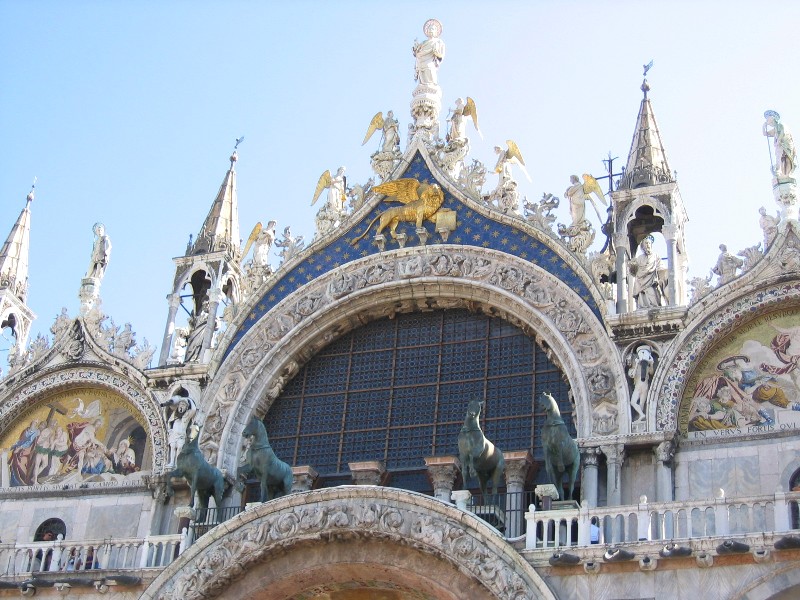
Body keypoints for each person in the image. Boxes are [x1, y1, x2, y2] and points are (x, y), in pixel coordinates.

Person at [628, 236, 666, 309]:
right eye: (646, 243)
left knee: (652, 295)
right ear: (643, 246)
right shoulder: (639, 258)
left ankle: (654, 307)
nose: (647, 245)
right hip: (640, 282)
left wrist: (663, 272)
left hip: (651, 282)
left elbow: (661, 267)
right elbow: (634, 271)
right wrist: (631, 266)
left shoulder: (655, 256)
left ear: (651, 245)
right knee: (642, 298)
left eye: (649, 243)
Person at [162, 395, 197, 466]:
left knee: (179, 448)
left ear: (186, 408)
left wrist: (189, 400)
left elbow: (193, 410)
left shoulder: (186, 416)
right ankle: (171, 462)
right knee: (172, 447)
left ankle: (177, 463)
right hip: (173, 435)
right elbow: (170, 419)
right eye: (180, 404)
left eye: (184, 405)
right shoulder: (175, 415)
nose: (181, 406)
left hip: (181, 435)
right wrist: (169, 430)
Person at [763, 110, 796, 178]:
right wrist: (763, 127)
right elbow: (765, 134)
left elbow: (783, 132)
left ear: (773, 118)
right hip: (779, 146)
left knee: (787, 158)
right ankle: (780, 172)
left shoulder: (781, 125)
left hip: (786, 145)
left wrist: (778, 140)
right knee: (780, 158)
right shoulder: (775, 128)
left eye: (768, 118)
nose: (767, 121)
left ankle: (786, 174)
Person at [412, 20, 445, 86]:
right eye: (429, 29)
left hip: (430, 61)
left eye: (432, 29)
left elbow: (441, 54)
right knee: (422, 78)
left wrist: (436, 51)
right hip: (420, 61)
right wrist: (415, 48)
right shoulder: (423, 43)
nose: (430, 30)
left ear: (436, 31)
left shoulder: (438, 42)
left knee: (430, 72)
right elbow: (417, 52)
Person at [8, 418, 40, 486]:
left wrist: (20, 448)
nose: (33, 424)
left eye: (34, 423)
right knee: (14, 465)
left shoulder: (36, 432)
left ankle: (23, 481)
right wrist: (11, 447)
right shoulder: (26, 430)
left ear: (36, 424)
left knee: (20, 464)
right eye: (32, 422)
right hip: (19, 450)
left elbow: (29, 442)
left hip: (26, 451)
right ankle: (15, 483)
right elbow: (21, 440)